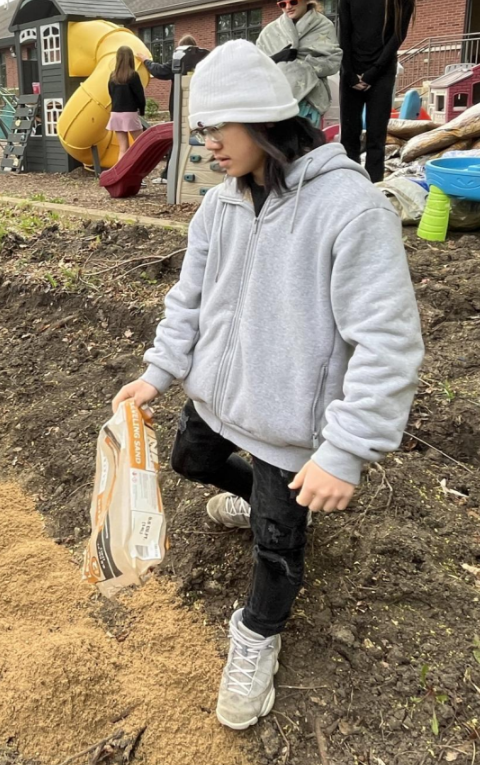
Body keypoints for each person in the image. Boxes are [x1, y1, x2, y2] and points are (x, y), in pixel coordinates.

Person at [112, 41, 423, 731]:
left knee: (277, 550)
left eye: (219, 127)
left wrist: (344, 449)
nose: (209, 144)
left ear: (264, 119)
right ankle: (256, 498)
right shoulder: (219, 206)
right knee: (189, 459)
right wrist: (159, 372)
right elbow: (188, 299)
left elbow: (388, 339)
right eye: (202, 130)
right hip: (217, 398)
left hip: (288, 425)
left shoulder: (349, 208)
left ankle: (257, 636)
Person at [339, 0, 416, 182]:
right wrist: (348, 72)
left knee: (376, 137)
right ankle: (348, 184)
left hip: (382, 72)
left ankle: (375, 188)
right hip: (351, 70)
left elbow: (397, 36)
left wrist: (372, 74)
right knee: (349, 136)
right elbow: (343, 32)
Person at [136, 35, 210, 184]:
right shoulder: (203, 60)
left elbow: (161, 71)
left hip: (179, 105)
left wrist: (145, 60)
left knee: (176, 138)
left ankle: (168, 175)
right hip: (198, 105)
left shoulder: (180, 59)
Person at [257, 0, 342, 128]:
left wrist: (302, 64)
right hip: (279, 101)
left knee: (308, 145)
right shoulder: (270, 31)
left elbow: (333, 62)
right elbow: (257, 65)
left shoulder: (323, 26)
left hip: (310, 99)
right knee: (279, 146)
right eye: (282, 4)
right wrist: (277, 58)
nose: (288, 7)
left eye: (293, 2)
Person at [107, 46, 146, 160]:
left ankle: (121, 176)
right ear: (130, 59)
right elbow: (140, 96)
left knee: (123, 148)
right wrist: (142, 111)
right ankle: (139, 172)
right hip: (129, 114)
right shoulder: (133, 75)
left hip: (115, 114)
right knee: (142, 145)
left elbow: (111, 94)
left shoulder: (112, 76)